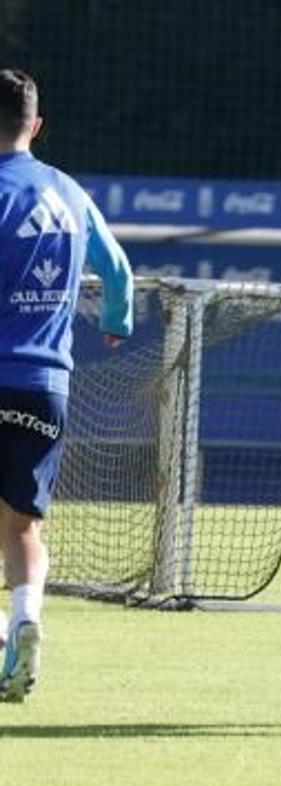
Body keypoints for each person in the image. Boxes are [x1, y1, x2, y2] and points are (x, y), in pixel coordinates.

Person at [0, 69, 133, 701]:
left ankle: (6, 636)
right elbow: (119, 271)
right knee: (23, 529)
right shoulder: (68, 192)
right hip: (46, 385)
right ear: (37, 124)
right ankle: (25, 620)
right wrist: (116, 321)